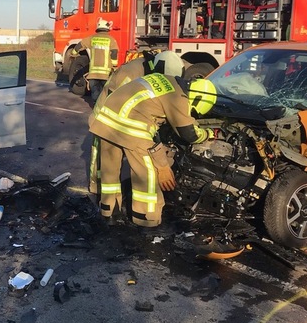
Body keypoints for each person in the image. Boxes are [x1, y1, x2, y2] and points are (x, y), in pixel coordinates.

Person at [89, 56, 218, 228]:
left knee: (109, 171)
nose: (192, 112)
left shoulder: (167, 81)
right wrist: (207, 134)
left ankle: (109, 212)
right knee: (147, 173)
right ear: (197, 99)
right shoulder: (178, 97)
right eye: (194, 109)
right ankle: (146, 219)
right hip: (131, 127)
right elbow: (189, 134)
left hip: (107, 119)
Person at [88, 49, 163, 194]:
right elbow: (115, 99)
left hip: (123, 116)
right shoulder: (131, 72)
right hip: (105, 115)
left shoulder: (150, 70)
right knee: (101, 156)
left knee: (117, 155)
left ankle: (112, 188)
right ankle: (96, 187)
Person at [72, 18, 119, 101]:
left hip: (93, 74)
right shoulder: (111, 40)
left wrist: (74, 52)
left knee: (95, 93)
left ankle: (95, 107)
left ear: (98, 28)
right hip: (106, 74)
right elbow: (114, 52)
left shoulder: (92, 38)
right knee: (105, 93)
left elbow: (79, 45)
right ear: (107, 29)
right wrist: (114, 66)